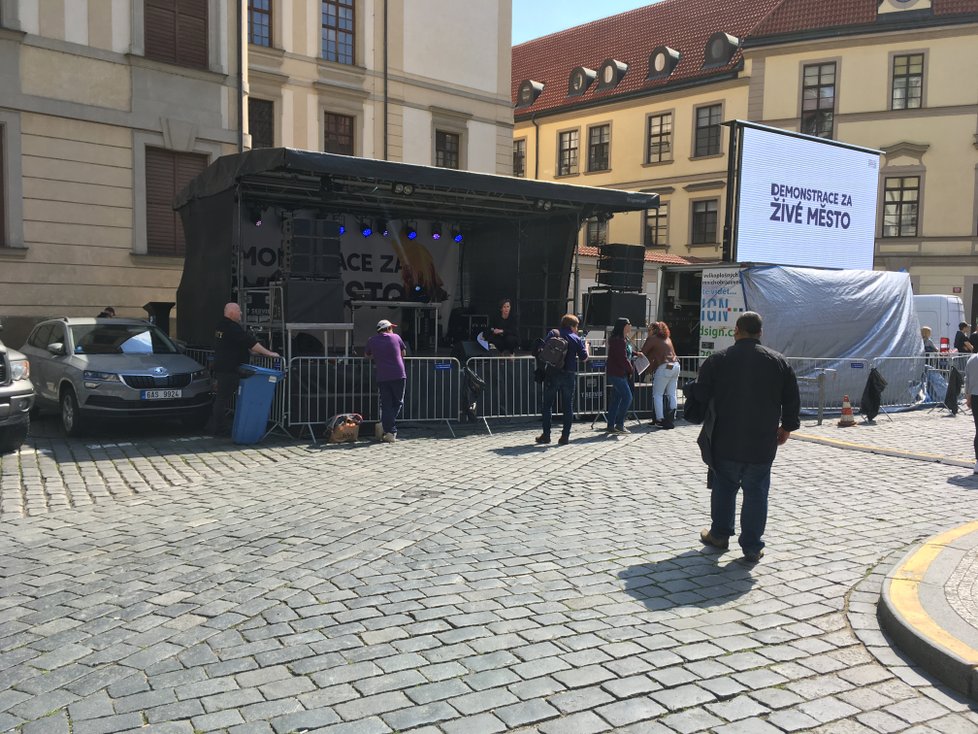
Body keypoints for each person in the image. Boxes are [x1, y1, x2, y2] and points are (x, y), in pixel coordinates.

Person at [696, 311, 801, 564]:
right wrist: (786, 427)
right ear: (760, 332)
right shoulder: (778, 361)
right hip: (762, 440)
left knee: (724, 487)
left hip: (725, 438)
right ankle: (752, 547)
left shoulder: (718, 360)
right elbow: (791, 399)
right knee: (756, 493)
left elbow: (700, 395)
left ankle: (720, 535)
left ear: (737, 330)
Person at [207, 302, 279, 436]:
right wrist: (268, 353)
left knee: (221, 398)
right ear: (231, 313)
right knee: (222, 399)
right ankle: (220, 429)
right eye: (239, 311)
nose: (241, 313)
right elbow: (250, 341)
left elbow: (234, 343)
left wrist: (250, 352)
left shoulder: (221, 325)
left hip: (223, 366)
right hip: (229, 368)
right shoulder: (231, 327)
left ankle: (218, 427)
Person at [536, 314, 588, 445]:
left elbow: (543, 349)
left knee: (547, 405)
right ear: (572, 326)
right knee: (567, 406)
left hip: (552, 373)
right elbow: (584, 358)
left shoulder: (554, 333)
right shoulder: (576, 338)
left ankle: (546, 435)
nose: (577, 329)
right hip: (568, 375)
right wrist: (586, 345)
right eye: (576, 326)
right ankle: (565, 437)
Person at [365, 319, 407, 443]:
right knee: (398, 402)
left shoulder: (372, 340)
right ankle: (390, 429)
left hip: (382, 376)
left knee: (386, 403)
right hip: (398, 374)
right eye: (391, 328)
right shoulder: (396, 337)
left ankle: (388, 428)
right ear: (388, 328)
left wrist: (378, 356)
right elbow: (403, 352)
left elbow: (367, 355)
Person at [642, 321, 680, 429]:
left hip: (665, 366)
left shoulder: (652, 339)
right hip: (676, 365)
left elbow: (643, 352)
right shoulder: (668, 339)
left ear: (654, 330)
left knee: (657, 394)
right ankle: (672, 416)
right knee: (672, 393)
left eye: (649, 330)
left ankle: (660, 419)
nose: (648, 332)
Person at [605, 317, 634, 434]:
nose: (631, 326)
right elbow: (622, 358)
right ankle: (619, 423)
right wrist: (631, 370)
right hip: (618, 373)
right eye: (629, 324)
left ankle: (611, 424)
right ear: (623, 326)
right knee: (627, 397)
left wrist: (637, 353)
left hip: (617, 372)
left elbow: (626, 352)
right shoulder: (619, 340)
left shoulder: (622, 339)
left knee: (616, 400)